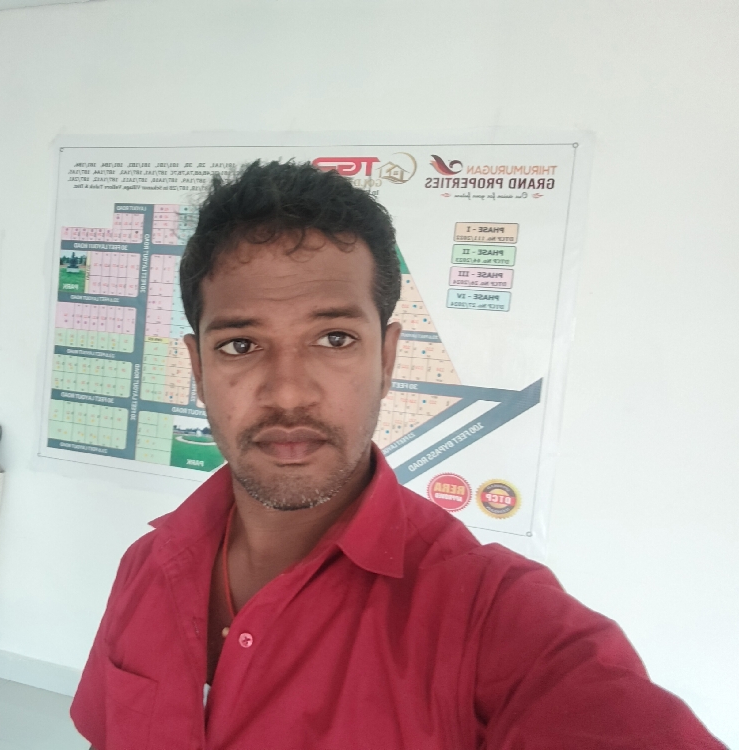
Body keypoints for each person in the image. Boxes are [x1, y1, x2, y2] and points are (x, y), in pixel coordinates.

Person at [70, 161, 724, 749]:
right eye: (240, 345)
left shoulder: (490, 616)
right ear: (197, 368)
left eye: (333, 338)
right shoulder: (146, 566)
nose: (288, 392)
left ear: (386, 360)